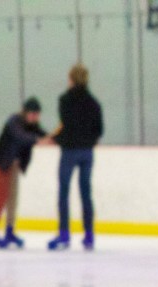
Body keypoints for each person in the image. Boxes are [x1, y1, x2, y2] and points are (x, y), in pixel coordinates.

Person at [48, 65, 102, 251]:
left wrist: (54, 139)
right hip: (87, 152)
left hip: (70, 151)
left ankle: (64, 233)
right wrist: (90, 141)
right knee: (86, 192)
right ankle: (89, 235)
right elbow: (99, 129)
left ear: (71, 79)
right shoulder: (94, 102)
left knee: (64, 191)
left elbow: (66, 127)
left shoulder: (65, 100)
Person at [0, 97, 49, 250]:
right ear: (25, 112)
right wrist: (37, 140)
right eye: (32, 113)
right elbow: (20, 136)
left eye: (37, 114)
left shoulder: (34, 126)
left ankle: (9, 231)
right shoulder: (13, 121)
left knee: (13, 197)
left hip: (13, 165)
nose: (34, 117)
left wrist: (59, 138)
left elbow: (45, 136)